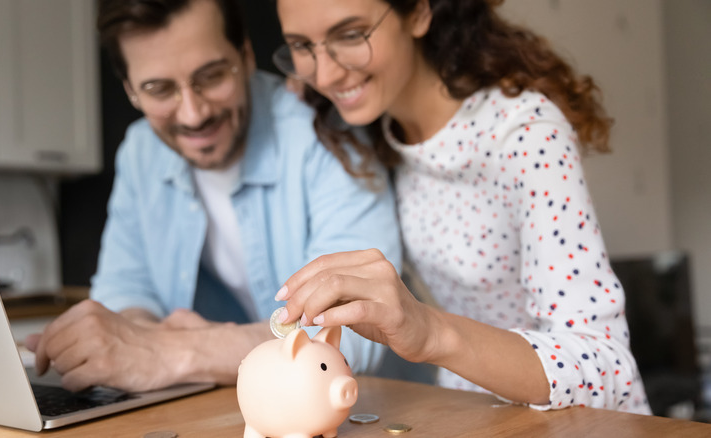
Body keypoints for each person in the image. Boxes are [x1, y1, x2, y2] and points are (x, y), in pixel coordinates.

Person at [272, 0, 651, 414]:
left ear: (418, 13)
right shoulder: (373, 129)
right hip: (476, 413)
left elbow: (609, 365)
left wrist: (431, 330)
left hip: (580, 423)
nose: (324, 74)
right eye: (301, 45)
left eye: (351, 35)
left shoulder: (525, 136)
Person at [25, 0, 401, 393]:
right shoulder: (140, 152)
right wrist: (131, 340)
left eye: (212, 76)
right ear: (130, 90)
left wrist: (170, 352)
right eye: (158, 89)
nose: (192, 114)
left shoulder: (325, 131)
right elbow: (126, 290)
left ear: (247, 55)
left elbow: (357, 330)